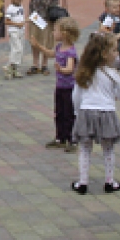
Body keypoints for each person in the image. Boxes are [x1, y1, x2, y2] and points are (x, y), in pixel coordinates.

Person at [70, 32, 120, 195]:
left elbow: (76, 95)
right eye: (115, 50)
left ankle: (83, 182)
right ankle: (109, 181)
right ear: (105, 54)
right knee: (108, 149)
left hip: (86, 112)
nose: (117, 53)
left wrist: (77, 111)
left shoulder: (84, 72)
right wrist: (114, 97)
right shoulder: (112, 74)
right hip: (107, 113)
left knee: (85, 148)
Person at [41, 17, 80, 152]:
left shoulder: (70, 51)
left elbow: (70, 69)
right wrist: (39, 46)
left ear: (64, 33)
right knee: (59, 112)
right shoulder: (59, 47)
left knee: (69, 114)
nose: (53, 32)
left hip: (69, 88)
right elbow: (51, 53)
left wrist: (60, 69)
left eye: (55, 30)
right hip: (60, 87)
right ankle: (60, 137)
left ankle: (72, 139)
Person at [3, 0, 26, 79]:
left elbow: (21, 18)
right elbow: (6, 21)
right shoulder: (10, 8)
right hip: (14, 31)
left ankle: (15, 69)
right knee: (17, 49)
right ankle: (8, 66)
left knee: (19, 50)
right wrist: (17, 24)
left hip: (21, 31)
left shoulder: (21, 7)